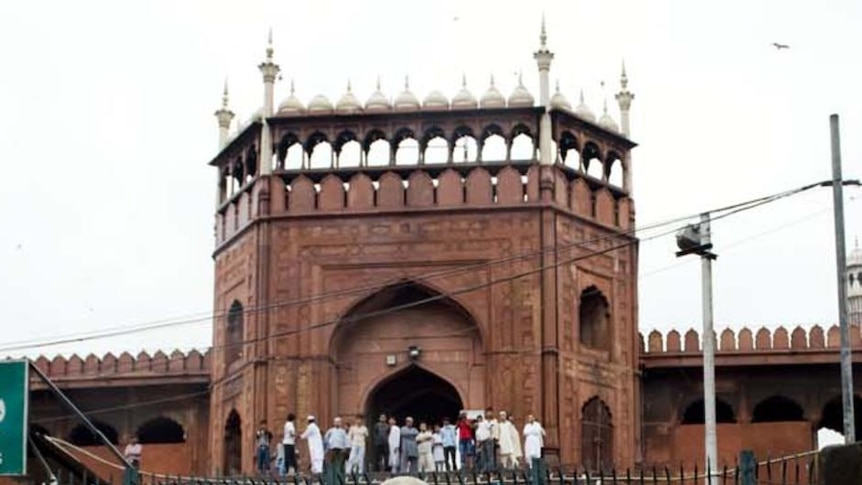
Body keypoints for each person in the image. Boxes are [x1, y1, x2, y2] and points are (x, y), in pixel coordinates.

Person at [324, 416, 350, 482]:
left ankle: (339, 480)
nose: (337, 423)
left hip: (340, 450)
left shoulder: (342, 432)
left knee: (339, 466)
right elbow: (326, 439)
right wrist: (327, 448)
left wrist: (346, 449)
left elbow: (346, 440)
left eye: (338, 422)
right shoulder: (330, 431)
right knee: (331, 466)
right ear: (334, 423)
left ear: (340, 423)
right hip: (332, 450)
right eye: (336, 422)